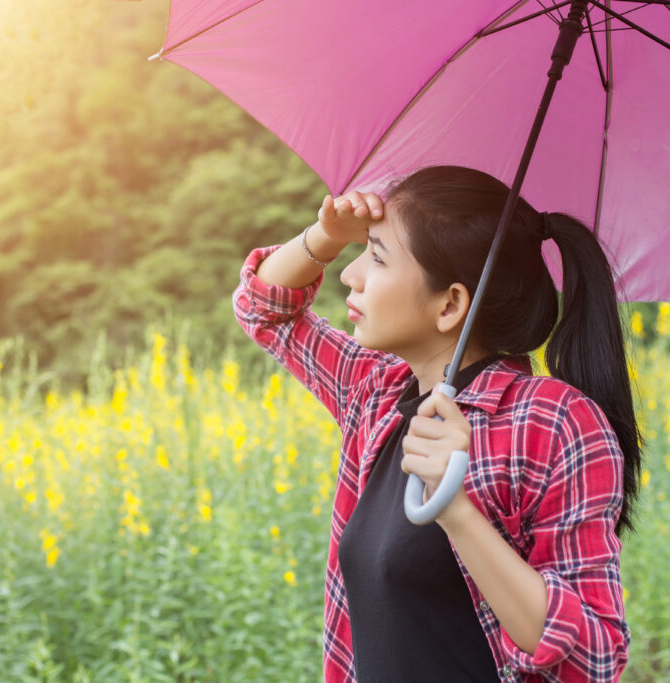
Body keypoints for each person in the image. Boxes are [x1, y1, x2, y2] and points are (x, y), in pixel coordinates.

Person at [232, 166, 641, 682]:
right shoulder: (376, 394)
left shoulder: (553, 421)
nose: (349, 274)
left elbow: (594, 658)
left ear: (450, 304)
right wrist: (325, 236)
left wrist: (456, 509)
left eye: (376, 257)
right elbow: (263, 310)